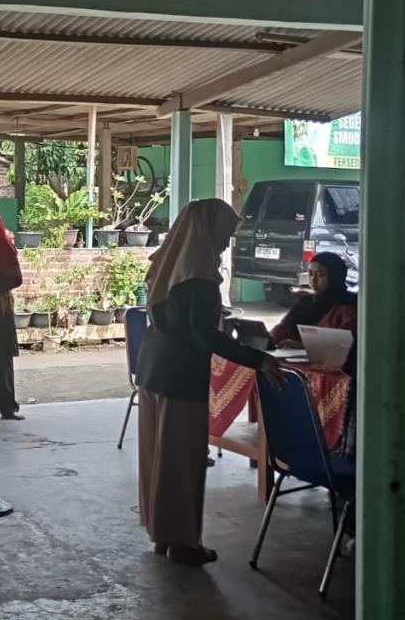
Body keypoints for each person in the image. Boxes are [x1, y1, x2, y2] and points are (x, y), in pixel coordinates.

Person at [137, 198, 284, 565]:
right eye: (223, 234)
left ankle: (163, 534)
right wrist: (258, 359)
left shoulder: (166, 265)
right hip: (182, 377)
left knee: (159, 457)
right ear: (206, 232)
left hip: (153, 370)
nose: (224, 244)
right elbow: (204, 336)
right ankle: (183, 542)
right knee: (183, 463)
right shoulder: (200, 278)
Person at [270, 252, 357, 349]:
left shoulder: (349, 306)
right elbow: (282, 330)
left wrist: (303, 346)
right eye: (310, 274)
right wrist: (268, 340)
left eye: (320, 275)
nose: (313, 280)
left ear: (335, 276)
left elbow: (342, 345)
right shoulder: (306, 302)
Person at [0, 208, 24, 420]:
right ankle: (4, 407)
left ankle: (7, 407)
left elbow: (16, 278)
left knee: (1, 360)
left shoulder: (2, 246)